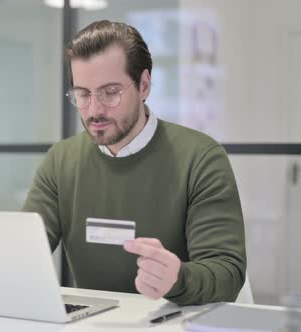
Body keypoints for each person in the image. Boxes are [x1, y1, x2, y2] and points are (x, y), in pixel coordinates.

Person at [22, 20, 246, 305]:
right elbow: (24, 251)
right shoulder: (61, 160)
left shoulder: (200, 158)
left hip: (176, 321)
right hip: (93, 323)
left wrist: (178, 278)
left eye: (110, 92)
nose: (95, 109)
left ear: (144, 85)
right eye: (83, 94)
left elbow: (228, 272)